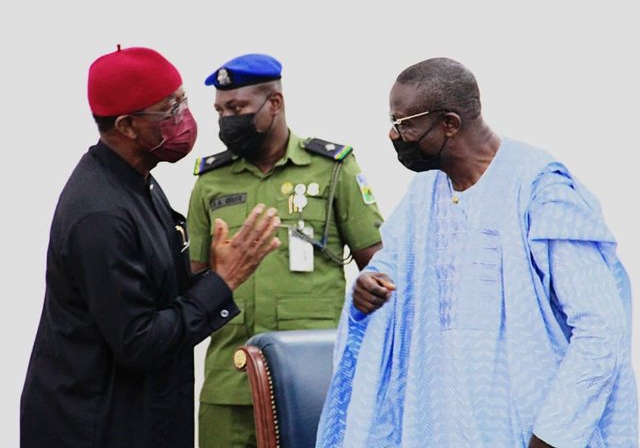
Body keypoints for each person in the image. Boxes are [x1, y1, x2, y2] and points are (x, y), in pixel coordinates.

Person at [316, 57, 638, 448]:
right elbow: (390, 267)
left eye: (405, 124)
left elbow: (600, 327)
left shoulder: (540, 191)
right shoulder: (424, 195)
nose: (393, 135)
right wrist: (368, 287)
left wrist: (553, 436)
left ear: (450, 123)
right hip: (435, 420)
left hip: (529, 428)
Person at [20, 46, 281, 448]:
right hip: (95, 427)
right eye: (170, 109)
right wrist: (223, 282)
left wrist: (214, 275)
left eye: (183, 101)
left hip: (141, 417)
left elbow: (161, 299)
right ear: (126, 125)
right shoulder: (100, 214)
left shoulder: (139, 183)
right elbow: (139, 342)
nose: (185, 119)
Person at [188, 53, 384, 447]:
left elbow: (379, 270)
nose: (227, 120)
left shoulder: (331, 168)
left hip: (313, 381)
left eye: (238, 107)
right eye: (221, 111)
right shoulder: (210, 181)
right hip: (230, 383)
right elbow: (193, 284)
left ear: (274, 103)